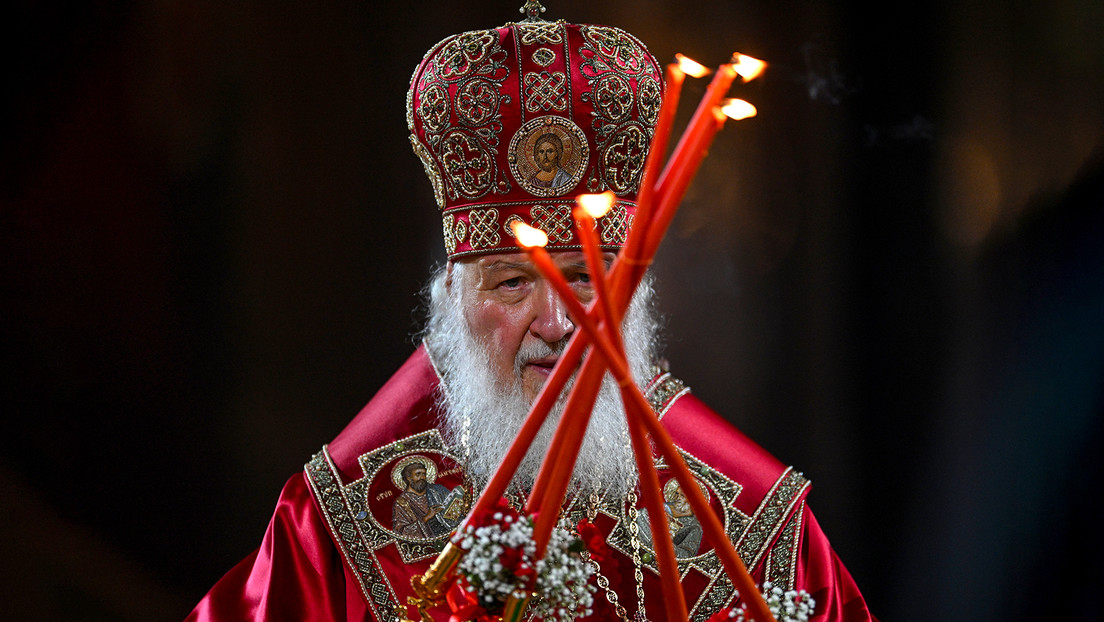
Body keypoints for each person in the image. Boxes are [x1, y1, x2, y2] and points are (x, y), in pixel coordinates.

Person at [188, 6, 877, 622]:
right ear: (452, 298)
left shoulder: (757, 530)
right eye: (514, 282)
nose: (556, 322)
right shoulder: (335, 529)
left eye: (585, 277)